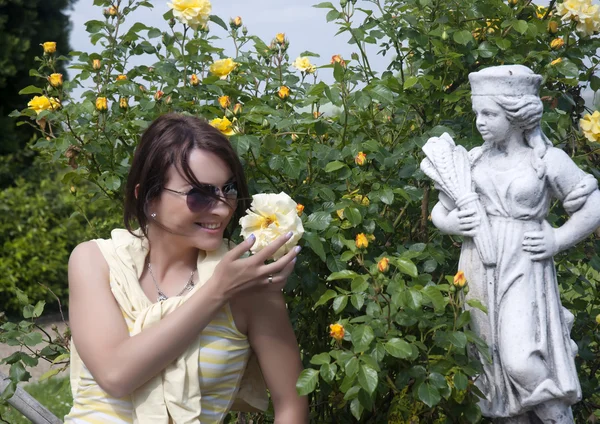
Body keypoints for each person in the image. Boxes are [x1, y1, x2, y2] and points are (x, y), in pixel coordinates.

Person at [64, 113, 308, 423]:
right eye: (199, 194)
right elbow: (116, 375)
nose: (221, 208)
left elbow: (292, 404)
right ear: (148, 198)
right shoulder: (95, 262)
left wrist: (227, 287)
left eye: (228, 189)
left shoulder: (249, 284)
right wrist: (216, 292)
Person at [430, 65, 600, 423]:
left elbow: (593, 205)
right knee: (490, 367)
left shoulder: (544, 160)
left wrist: (558, 237)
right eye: (477, 113)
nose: (480, 122)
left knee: (519, 360)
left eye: (489, 113)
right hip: (477, 263)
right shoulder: (473, 162)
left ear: (517, 114)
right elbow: (439, 212)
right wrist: (451, 223)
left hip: (524, 262)